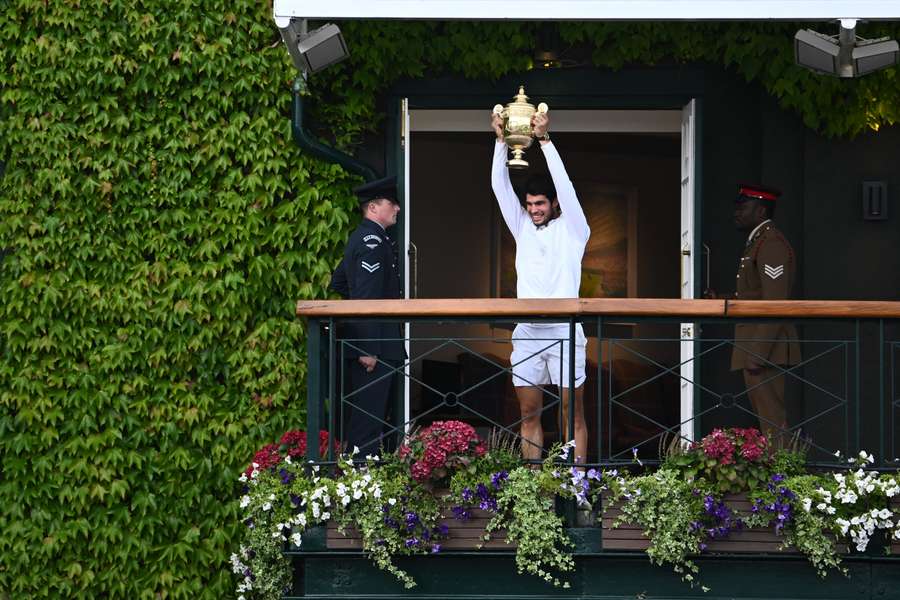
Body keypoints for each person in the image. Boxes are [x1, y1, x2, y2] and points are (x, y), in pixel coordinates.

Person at [491, 110, 591, 463]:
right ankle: (533, 489)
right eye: (530, 204)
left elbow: (566, 185)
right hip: (528, 331)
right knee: (528, 415)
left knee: (571, 417)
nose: (533, 210)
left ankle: (577, 491)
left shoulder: (574, 229)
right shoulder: (521, 227)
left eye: (540, 204)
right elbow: (498, 187)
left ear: (554, 204)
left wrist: (546, 141)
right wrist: (501, 142)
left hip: (566, 331)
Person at [329, 176, 404, 455]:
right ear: (373, 207)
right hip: (374, 348)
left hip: (376, 344)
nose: (397, 209)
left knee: (368, 421)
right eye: (391, 204)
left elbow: (339, 282)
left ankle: (363, 482)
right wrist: (367, 347)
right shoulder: (371, 240)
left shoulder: (365, 237)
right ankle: (361, 486)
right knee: (367, 425)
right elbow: (366, 296)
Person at [727, 184, 801, 441]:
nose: (736, 212)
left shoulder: (771, 243)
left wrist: (757, 354)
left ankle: (783, 477)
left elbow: (774, 302)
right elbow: (755, 293)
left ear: (760, 211)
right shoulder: (757, 242)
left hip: (767, 347)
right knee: (766, 418)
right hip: (757, 345)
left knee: (772, 419)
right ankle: (777, 473)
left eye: (742, 207)